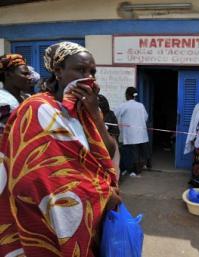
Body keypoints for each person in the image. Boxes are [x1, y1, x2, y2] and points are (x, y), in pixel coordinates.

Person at [0, 42, 120, 257]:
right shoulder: (37, 108)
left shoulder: (87, 108)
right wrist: (100, 193)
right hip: (47, 216)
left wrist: (95, 113)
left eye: (92, 72)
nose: (89, 77)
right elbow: (31, 176)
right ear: (58, 71)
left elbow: (107, 153)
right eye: (80, 70)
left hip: (91, 214)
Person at [115, 86, 149, 177]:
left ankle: (133, 171)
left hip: (130, 135)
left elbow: (115, 115)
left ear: (127, 95)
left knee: (130, 153)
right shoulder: (140, 105)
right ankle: (139, 169)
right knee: (139, 152)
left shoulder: (123, 105)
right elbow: (146, 117)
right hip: (141, 134)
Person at [0, 54, 33, 142]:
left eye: (29, 74)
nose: (30, 78)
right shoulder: (3, 102)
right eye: (25, 74)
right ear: (8, 75)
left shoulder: (26, 97)